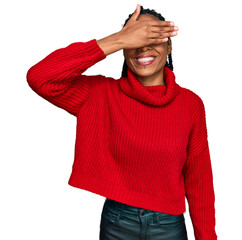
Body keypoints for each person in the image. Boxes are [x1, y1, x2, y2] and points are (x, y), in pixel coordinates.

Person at [26, 3, 217, 240]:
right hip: (118, 222)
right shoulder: (99, 94)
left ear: (169, 45)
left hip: (168, 225)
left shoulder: (190, 104)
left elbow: (199, 179)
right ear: (125, 49)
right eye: (135, 40)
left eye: (153, 37)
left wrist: (207, 236)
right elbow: (41, 77)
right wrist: (116, 40)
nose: (143, 46)